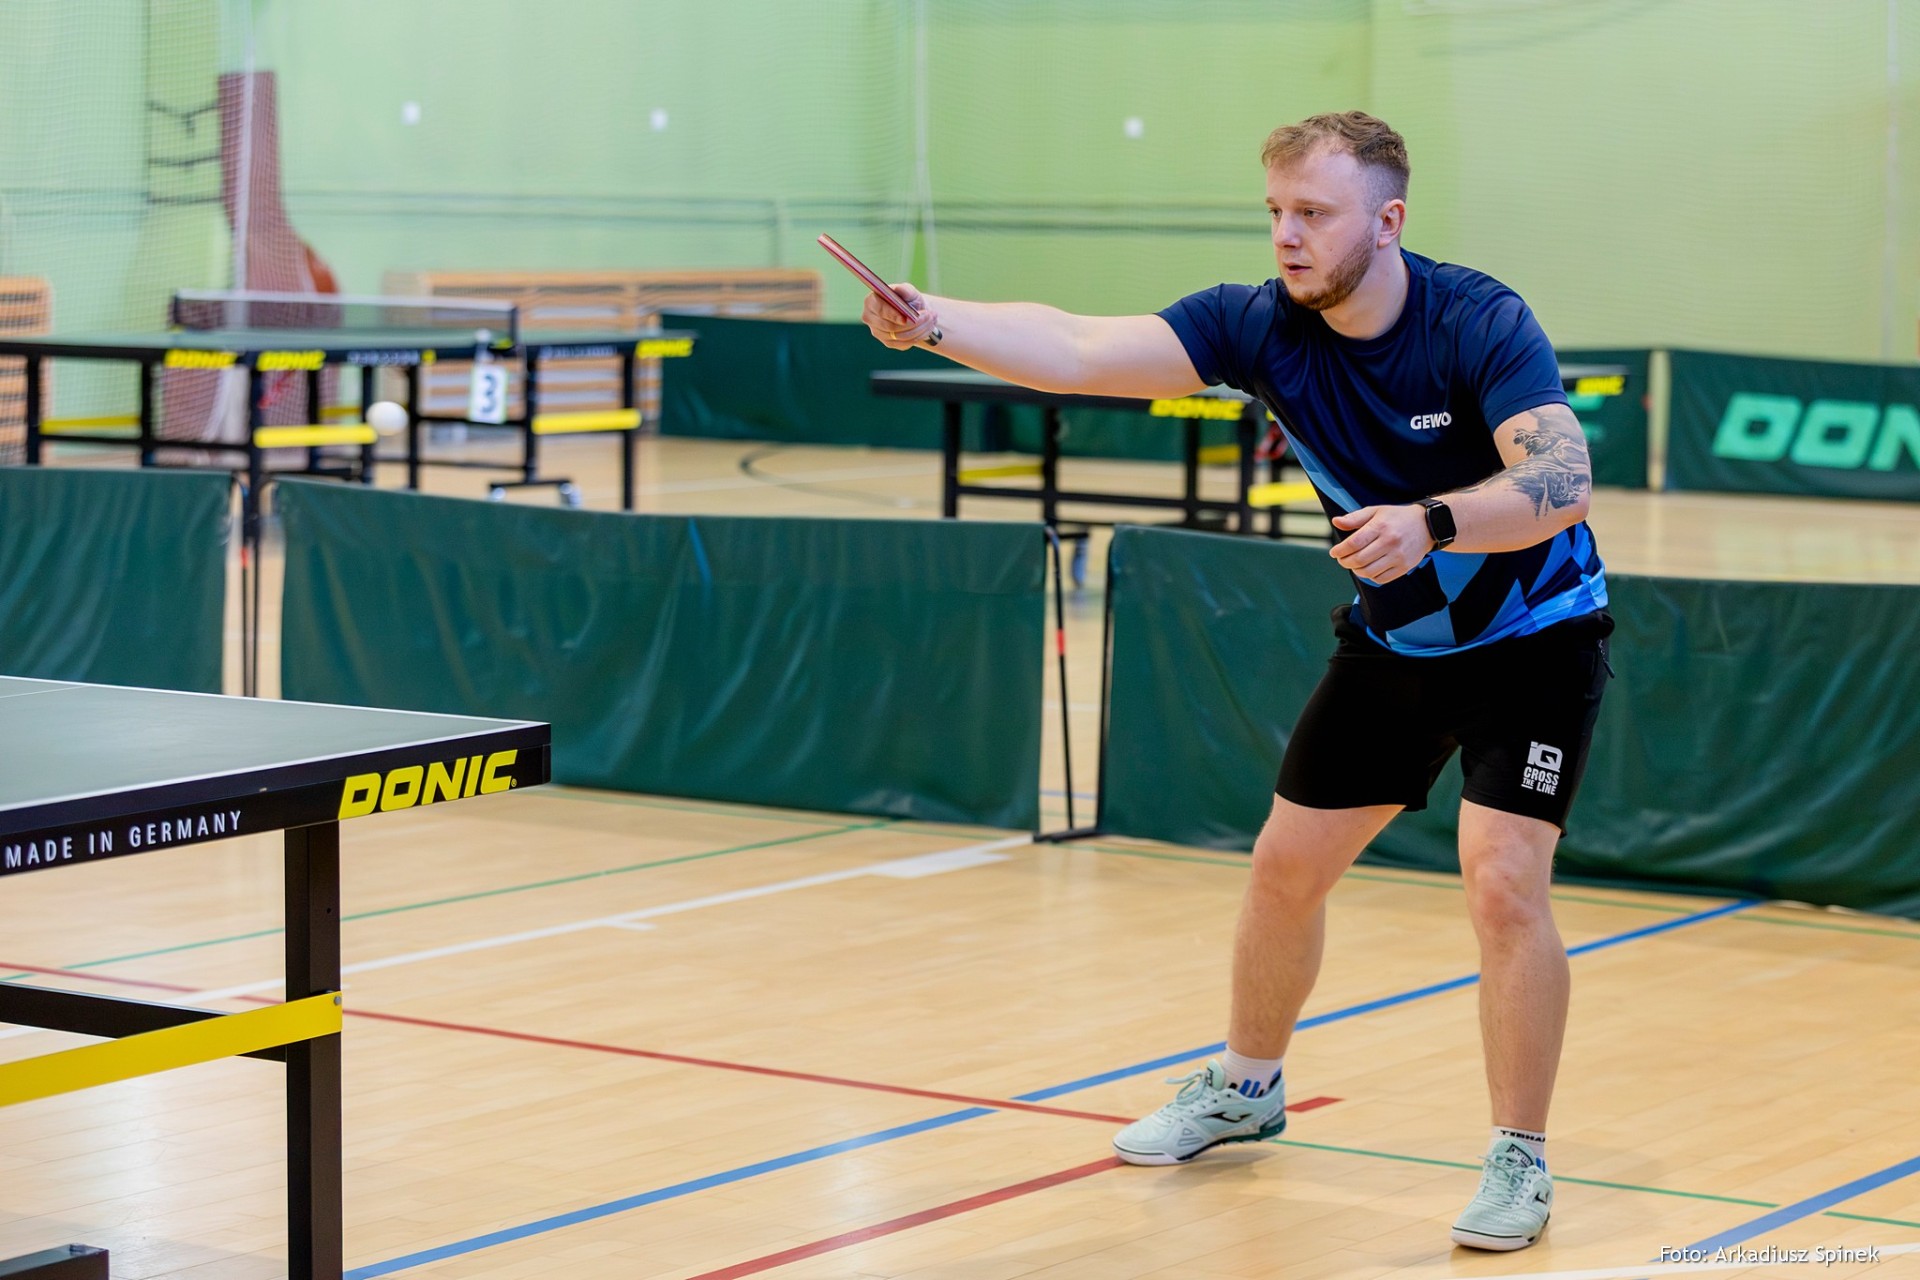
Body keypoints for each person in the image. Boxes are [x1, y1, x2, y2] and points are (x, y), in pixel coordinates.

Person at [860, 110, 1609, 1253]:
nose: (1287, 236)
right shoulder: (1257, 324)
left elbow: (1562, 477)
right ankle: (1248, 1086)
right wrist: (936, 321)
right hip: (1397, 642)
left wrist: (1433, 520)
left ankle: (1520, 1153)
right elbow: (1078, 345)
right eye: (1275, 212)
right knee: (1283, 868)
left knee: (1503, 880)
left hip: (1535, 639)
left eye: (1313, 213)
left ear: (1388, 221)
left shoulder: (1477, 319)